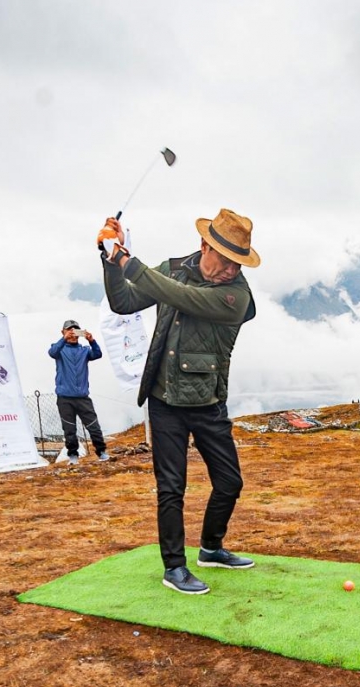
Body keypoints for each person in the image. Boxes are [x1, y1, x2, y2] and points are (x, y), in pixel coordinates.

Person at [98, 208, 259, 595]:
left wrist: (127, 260)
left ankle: (211, 548)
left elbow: (182, 297)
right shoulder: (170, 269)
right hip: (165, 400)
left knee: (229, 482)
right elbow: (123, 303)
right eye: (226, 260)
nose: (231, 270)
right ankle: (174, 567)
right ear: (205, 245)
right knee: (171, 488)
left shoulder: (237, 297)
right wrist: (109, 258)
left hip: (208, 402)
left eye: (238, 263)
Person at [48, 319, 111, 463]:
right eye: (70, 330)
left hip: (83, 397)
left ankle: (101, 452)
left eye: (76, 330)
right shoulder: (59, 349)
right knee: (69, 429)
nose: (73, 333)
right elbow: (52, 352)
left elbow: (97, 354)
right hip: (64, 397)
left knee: (94, 426)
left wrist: (92, 341)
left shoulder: (84, 350)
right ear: (63, 332)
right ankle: (73, 456)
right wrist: (64, 339)